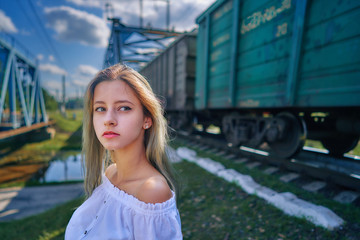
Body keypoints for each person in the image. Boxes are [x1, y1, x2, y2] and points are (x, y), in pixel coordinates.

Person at [65, 64, 182, 239]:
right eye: (100, 109)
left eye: (124, 108)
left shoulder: (151, 192)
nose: (108, 120)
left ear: (147, 120)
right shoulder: (111, 173)